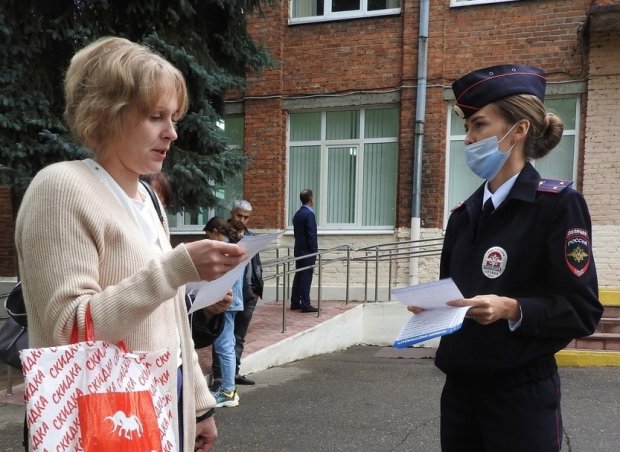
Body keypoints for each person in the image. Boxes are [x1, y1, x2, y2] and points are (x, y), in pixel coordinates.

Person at [14, 36, 248, 452]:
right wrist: (176, 268)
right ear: (106, 115)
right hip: (97, 415)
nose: (172, 133)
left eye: (173, 117)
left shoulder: (148, 198)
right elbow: (68, 328)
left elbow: (172, 315)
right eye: (156, 116)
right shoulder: (61, 188)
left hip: (160, 405)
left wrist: (198, 405)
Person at [407, 64, 603, 451]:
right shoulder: (464, 215)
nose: (469, 139)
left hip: (520, 397)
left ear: (519, 130)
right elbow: (458, 298)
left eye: (479, 125)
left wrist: (513, 309)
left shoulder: (558, 205)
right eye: (468, 128)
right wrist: (432, 311)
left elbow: (582, 310)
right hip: (461, 394)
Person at [211, 200, 264, 387]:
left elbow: (256, 264)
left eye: (246, 217)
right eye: (239, 215)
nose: (242, 220)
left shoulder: (251, 236)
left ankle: (234, 373)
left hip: (248, 293)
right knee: (222, 335)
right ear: (232, 213)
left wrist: (257, 288)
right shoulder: (223, 234)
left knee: (239, 336)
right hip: (228, 294)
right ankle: (219, 376)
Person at [203, 216, 244, 407]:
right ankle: (228, 389)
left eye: (209, 235)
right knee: (227, 345)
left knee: (224, 346)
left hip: (226, 302)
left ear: (215, 232)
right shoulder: (233, 248)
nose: (209, 239)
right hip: (231, 302)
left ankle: (228, 391)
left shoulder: (227, 251)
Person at [290, 189, 319, 313]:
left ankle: (295, 302)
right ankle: (305, 304)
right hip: (307, 251)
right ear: (311, 199)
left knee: (299, 276)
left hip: (299, 250)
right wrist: (314, 251)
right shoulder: (309, 214)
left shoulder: (297, 214)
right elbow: (311, 235)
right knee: (306, 277)